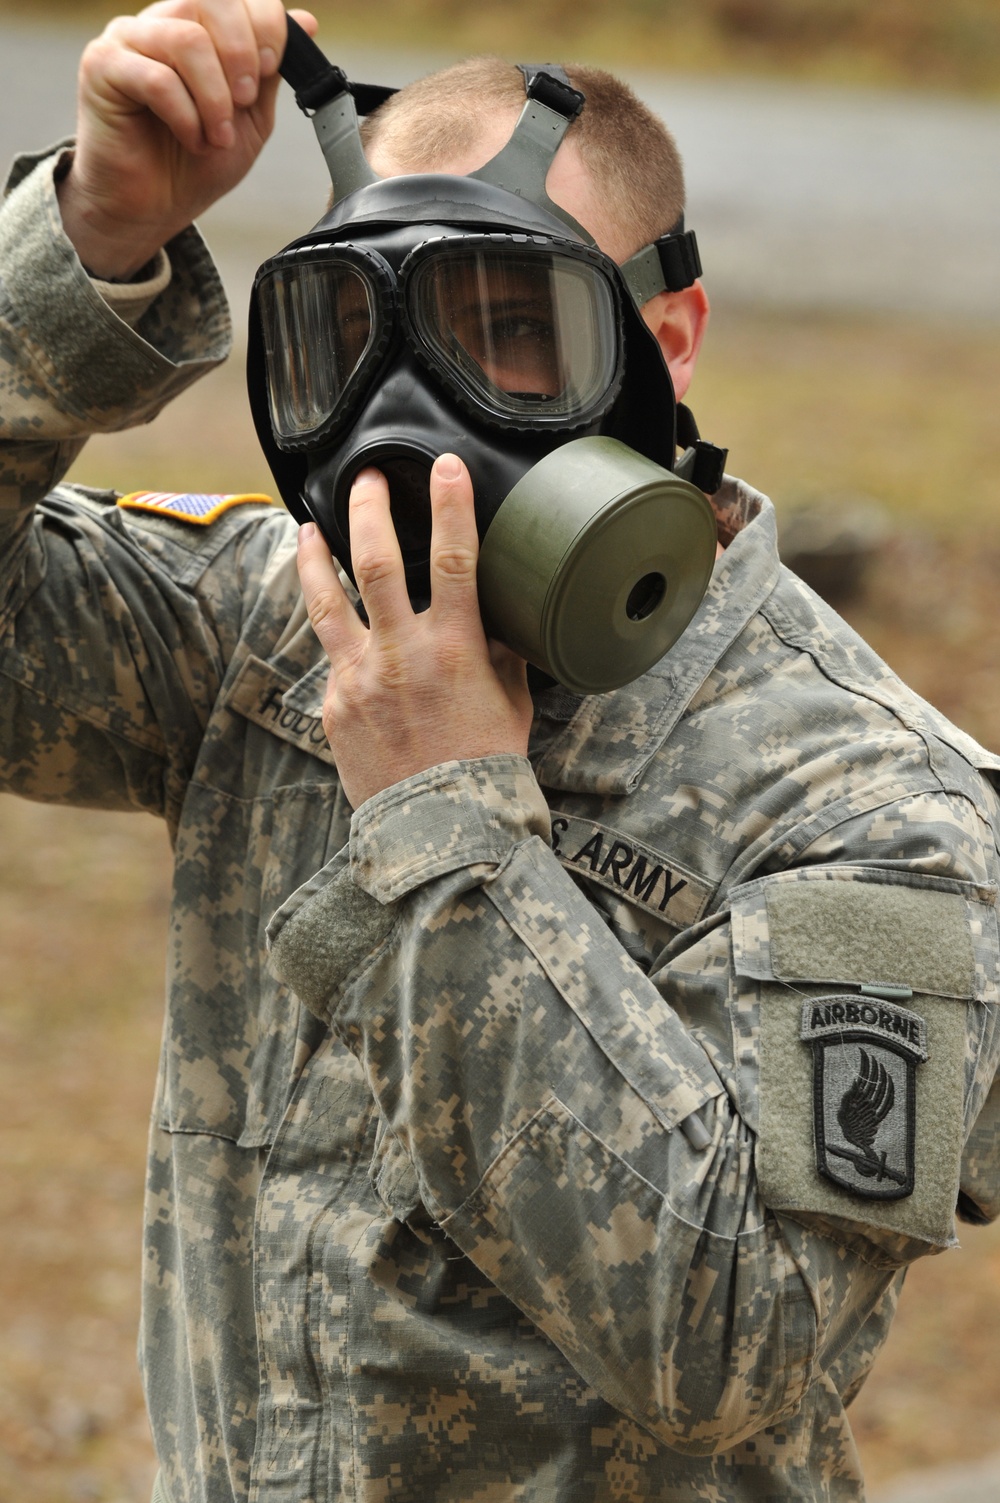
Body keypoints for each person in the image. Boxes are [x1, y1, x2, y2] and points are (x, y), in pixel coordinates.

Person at [1, 3, 998, 1500]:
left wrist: (443, 820)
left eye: (513, 330)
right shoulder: (271, 632)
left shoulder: (877, 812)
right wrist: (91, 245)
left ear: (667, 340)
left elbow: (740, 1346)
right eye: (356, 338)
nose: (407, 422)